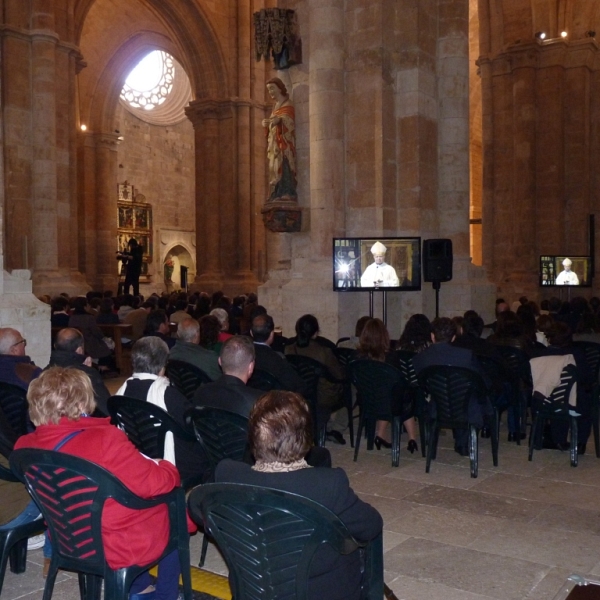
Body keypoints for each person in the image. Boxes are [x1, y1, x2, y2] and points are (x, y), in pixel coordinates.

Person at [15, 367, 183, 600]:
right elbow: (156, 484)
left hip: (67, 537)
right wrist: (168, 468)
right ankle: (165, 595)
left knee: (119, 506)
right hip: (115, 545)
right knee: (176, 510)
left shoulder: (23, 447)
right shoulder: (105, 439)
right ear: (83, 400)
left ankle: (138, 587)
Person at [213, 390, 382, 600]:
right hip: (318, 592)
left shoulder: (226, 473)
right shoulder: (328, 484)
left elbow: (200, 512)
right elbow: (371, 524)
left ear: (253, 436)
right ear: (305, 438)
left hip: (253, 588)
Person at [116, 337, 210, 484]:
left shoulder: (120, 393)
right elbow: (193, 427)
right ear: (163, 364)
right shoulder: (167, 394)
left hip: (139, 455)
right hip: (174, 463)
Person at [413, 317, 493, 456]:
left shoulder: (420, 358)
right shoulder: (466, 356)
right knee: (471, 396)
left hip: (437, 406)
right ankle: (464, 444)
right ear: (454, 337)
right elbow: (483, 382)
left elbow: (422, 384)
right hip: (466, 409)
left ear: (432, 336)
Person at [356, 318, 419, 453]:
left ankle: (380, 435)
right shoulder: (391, 357)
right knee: (404, 398)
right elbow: (401, 381)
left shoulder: (358, 359)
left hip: (367, 402)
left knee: (387, 395)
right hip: (390, 402)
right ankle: (412, 438)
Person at [284, 315, 346, 444]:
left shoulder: (288, 349)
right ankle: (336, 429)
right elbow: (339, 376)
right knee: (349, 390)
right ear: (316, 333)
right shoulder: (324, 352)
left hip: (297, 393)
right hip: (321, 397)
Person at [47, 328, 110, 416]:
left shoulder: (44, 372)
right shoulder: (87, 374)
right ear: (80, 350)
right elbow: (105, 410)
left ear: (55, 346)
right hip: (78, 425)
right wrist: (89, 372)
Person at [250, 314, 307, 395]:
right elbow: (299, 386)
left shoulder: (243, 355)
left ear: (251, 333)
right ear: (272, 334)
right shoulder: (277, 359)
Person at [262, 77, 297, 202]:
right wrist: (267, 124)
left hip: (284, 145)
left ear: (280, 88)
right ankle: (276, 192)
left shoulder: (287, 104)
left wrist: (281, 120)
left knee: (285, 164)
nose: (270, 92)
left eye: (272, 88)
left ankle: (287, 191)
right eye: (268, 90)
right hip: (274, 145)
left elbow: (290, 122)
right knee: (274, 167)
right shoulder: (275, 107)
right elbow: (272, 125)